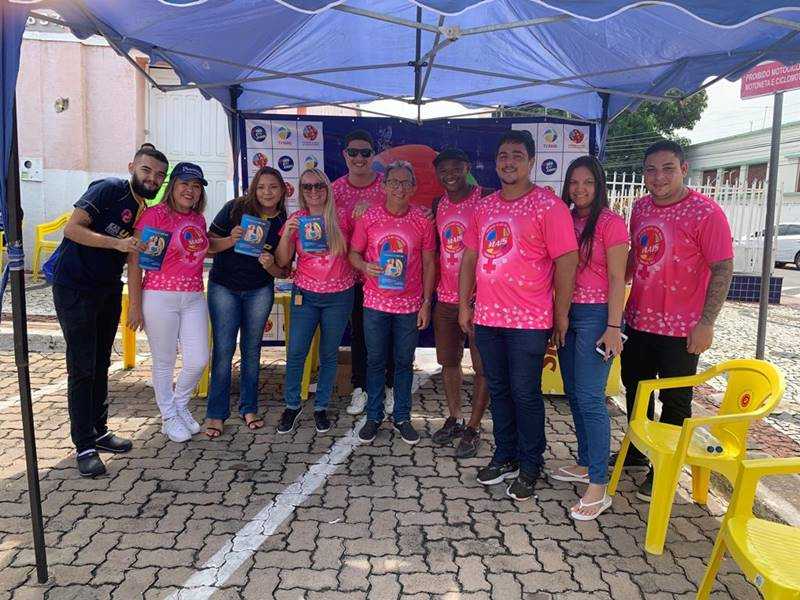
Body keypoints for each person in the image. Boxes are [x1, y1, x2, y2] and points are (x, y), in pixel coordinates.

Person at [459, 130, 578, 501]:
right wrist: (464, 304)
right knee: (499, 389)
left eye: (517, 155)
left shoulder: (549, 206)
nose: (508, 162)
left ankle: (530, 464)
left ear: (531, 161)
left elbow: (567, 261)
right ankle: (505, 455)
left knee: (525, 393)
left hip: (528, 322)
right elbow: (470, 257)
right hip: (488, 319)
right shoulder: (484, 207)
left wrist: (561, 314)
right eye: (503, 156)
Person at [620, 140, 733, 502]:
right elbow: (636, 258)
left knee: (676, 400)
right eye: (651, 170)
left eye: (668, 168)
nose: (659, 177)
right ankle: (637, 451)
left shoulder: (706, 213)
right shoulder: (640, 208)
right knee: (636, 391)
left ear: (684, 169)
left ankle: (664, 469)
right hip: (638, 321)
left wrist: (707, 323)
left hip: (682, 329)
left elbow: (722, 269)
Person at [52, 144, 168, 477]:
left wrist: (136, 302)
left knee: (101, 361)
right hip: (75, 287)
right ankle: (84, 445)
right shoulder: (109, 189)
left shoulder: (144, 209)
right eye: (146, 170)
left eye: (159, 175)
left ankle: (99, 431)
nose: (152, 178)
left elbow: (135, 258)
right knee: (82, 366)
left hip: (107, 289)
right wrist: (116, 242)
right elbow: (72, 228)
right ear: (132, 167)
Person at [549, 156, 629, 520]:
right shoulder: (564, 219)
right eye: (574, 182)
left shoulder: (611, 223)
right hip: (566, 314)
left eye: (588, 182)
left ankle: (599, 483)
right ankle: (584, 463)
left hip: (598, 317)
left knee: (591, 398)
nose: (580, 189)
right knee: (574, 394)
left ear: (599, 186)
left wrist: (613, 326)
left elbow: (616, 278)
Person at [127, 162, 220, 443]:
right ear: (172, 186)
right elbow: (135, 261)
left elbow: (205, 249)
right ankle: (168, 416)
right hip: (159, 296)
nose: (190, 191)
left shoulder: (198, 220)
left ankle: (178, 406)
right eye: (184, 184)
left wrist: (232, 239)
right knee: (164, 360)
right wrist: (135, 305)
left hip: (193, 296)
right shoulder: (154, 215)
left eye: (196, 186)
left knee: (199, 359)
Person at [349, 160, 436, 445]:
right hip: (375, 303)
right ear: (384, 186)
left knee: (403, 362)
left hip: (409, 306)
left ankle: (402, 417)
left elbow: (429, 263)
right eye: (394, 182)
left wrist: (426, 303)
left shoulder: (422, 220)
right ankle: (373, 417)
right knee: (375, 361)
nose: (399, 187)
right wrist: (365, 266)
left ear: (414, 187)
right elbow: (353, 253)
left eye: (405, 182)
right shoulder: (369, 217)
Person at [203, 166, 288, 438]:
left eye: (273, 187)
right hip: (224, 288)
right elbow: (207, 244)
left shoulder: (283, 220)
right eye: (261, 187)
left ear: (282, 190)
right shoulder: (235, 208)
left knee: (252, 350)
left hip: (259, 290)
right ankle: (216, 413)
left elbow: (283, 270)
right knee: (223, 350)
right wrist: (230, 239)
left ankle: (249, 408)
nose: (267, 192)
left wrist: (270, 264)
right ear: (253, 189)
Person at [274, 168, 357, 434]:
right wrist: (286, 235)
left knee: (328, 354)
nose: (313, 191)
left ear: (327, 188)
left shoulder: (343, 216)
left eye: (319, 185)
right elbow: (282, 261)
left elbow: (359, 248)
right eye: (307, 187)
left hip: (339, 295)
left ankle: (321, 407)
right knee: (296, 351)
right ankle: (292, 406)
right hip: (305, 295)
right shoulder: (297, 219)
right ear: (301, 191)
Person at [429, 148, 493, 458]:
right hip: (446, 298)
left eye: (456, 168)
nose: (450, 175)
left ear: (467, 167)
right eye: (443, 170)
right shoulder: (437, 205)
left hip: (481, 300)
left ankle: (474, 426)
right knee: (449, 362)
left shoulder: (487, 198)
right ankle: (454, 418)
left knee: (482, 366)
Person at [332, 130, 395, 417]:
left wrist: (375, 210)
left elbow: (403, 214)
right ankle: (360, 387)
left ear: (373, 155)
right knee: (359, 334)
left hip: (385, 276)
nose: (359, 158)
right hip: (349, 276)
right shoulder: (334, 190)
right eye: (353, 152)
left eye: (365, 152)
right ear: (344, 155)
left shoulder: (387, 186)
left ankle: (390, 387)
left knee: (388, 334)